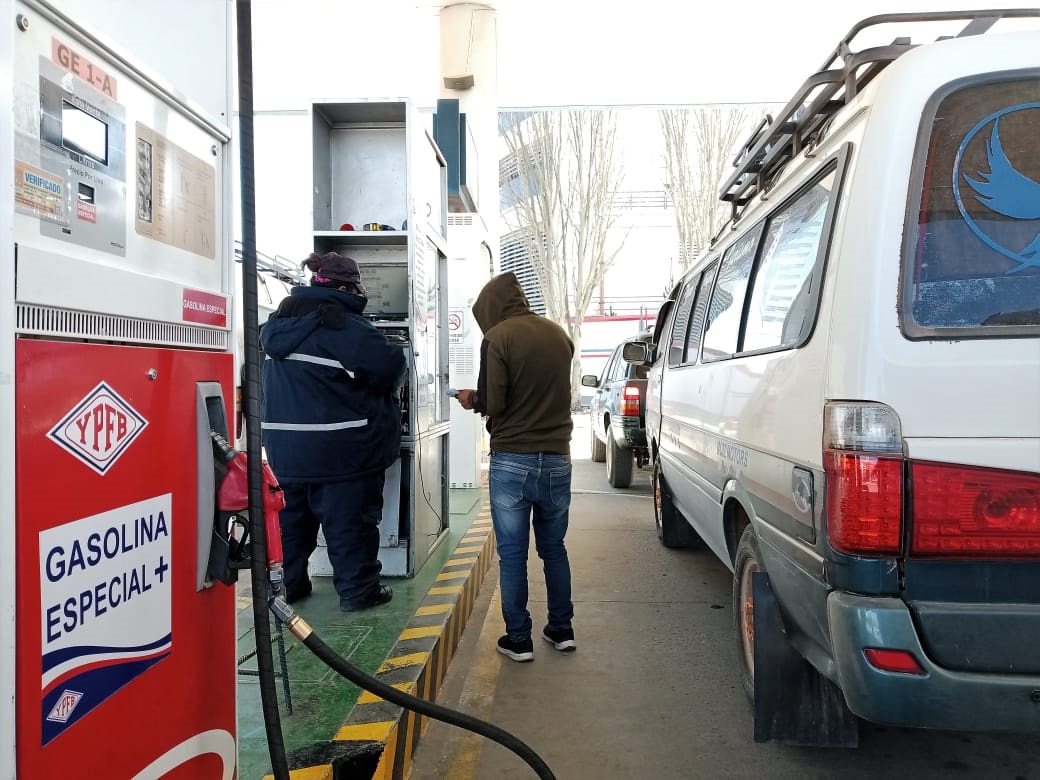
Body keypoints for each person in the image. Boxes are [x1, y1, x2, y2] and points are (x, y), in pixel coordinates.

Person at [260, 251, 406, 611]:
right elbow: (390, 367)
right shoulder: (345, 327)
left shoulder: (277, 325)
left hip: (284, 450)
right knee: (349, 527)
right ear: (347, 287)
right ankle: (358, 593)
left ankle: (287, 587)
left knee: (291, 525)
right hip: (342, 450)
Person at [454, 272, 576, 662]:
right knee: (554, 549)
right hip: (557, 457)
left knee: (512, 554)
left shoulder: (498, 338)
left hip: (512, 462)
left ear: (490, 308)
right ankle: (562, 629)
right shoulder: (559, 335)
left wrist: (471, 398)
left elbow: (497, 402)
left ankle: (518, 639)